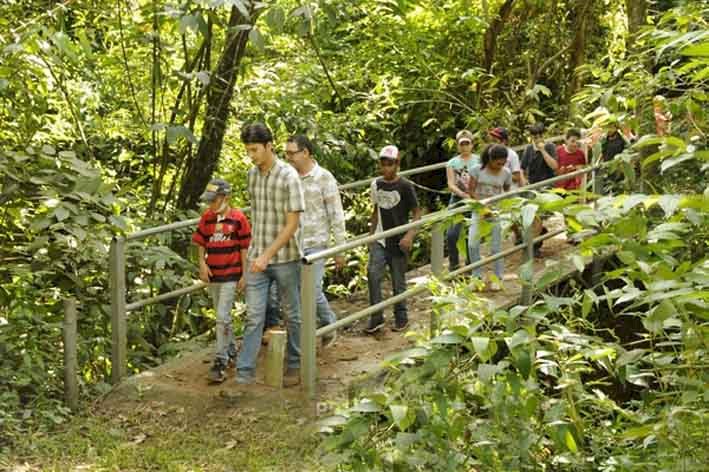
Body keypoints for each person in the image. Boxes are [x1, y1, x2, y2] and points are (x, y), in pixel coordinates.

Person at [237, 123, 305, 387]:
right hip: (258, 257)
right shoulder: (251, 176)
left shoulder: (289, 176)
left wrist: (267, 255)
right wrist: (254, 256)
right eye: (248, 150)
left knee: (292, 314)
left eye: (254, 149)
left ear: (268, 146)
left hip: (286, 257)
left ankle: (295, 364)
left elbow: (292, 224)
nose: (251, 155)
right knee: (254, 315)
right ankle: (244, 372)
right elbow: (256, 217)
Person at [284, 134, 346, 348]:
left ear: (305, 153)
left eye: (292, 153)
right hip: (292, 243)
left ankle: (328, 323)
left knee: (312, 289)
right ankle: (304, 333)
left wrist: (340, 249)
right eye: (286, 153)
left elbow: (336, 213)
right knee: (292, 291)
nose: (289, 157)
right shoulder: (287, 177)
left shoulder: (324, 177)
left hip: (316, 242)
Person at [192, 179, 251, 383]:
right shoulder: (207, 218)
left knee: (222, 316)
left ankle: (220, 360)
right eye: (209, 201)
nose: (211, 205)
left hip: (231, 274)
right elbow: (200, 241)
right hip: (214, 274)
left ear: (225, 198)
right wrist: (202, 263)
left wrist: (245, 274)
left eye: (214, 201)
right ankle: (232, 348)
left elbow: (244, 247)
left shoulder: (238, 218)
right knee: (221, 316)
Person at [366, 145, 421, 334]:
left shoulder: (405, 186)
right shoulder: (376, 184)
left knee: (398, 280)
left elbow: (416, 213)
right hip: (381, 238)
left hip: (398, 240)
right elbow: (375, 210)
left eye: (390, 164)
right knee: (373, 274)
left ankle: (401, 316)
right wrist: (371, 236)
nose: (386, 168)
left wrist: (409, 235)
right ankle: (376, 317)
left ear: (397, 164)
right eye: (383, 164)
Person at [468, 144, 512, 291]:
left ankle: (498, 278)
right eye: (498, 163)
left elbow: (506, 191)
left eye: (503, 163)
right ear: (490, 160)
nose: (500, 166)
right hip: (479, 211)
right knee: (473, 244)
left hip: (496, 212)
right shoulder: (476, 170)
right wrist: (481, 207)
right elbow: (471, 191)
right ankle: (477, 277)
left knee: (495, 247)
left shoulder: (506, 173)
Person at [520, 123, 558, 256]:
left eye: (540, 135)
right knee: (532, 219)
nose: (537, 139)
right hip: (532, 187)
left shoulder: (550, 147)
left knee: (538, 218)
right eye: (535, 136)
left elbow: (554, 166)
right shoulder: (528, 149)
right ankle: (537, 239)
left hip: (546, 187)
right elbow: (522, 168)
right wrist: (523, 180)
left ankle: (533, 247)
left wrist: (543, 151)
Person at [445, 129, 480, 271]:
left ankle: (470, 263)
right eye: (462, 144)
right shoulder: (452, 163)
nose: (464, 147)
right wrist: (463, 194)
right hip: (458, 199)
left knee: (472, 233)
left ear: (472, 144)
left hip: (475, 197)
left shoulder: (479, 160)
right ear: (458, 145)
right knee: (451, 234)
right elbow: (451, 184)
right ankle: (453, 264)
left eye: (467, 143)